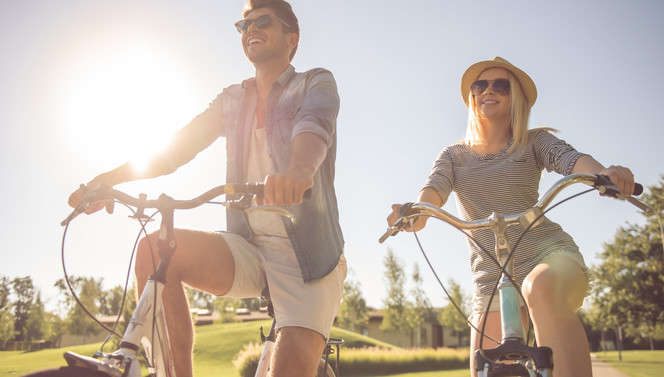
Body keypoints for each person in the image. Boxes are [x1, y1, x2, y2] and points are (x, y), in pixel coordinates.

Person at [68, 1, 346, 376]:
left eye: (263, 21)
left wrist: (299, 170)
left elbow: (314, 126)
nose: (251, 28)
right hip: (247, 245)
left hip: (307, 260)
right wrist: (108, 180)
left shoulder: (314, 82)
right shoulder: (233, 100)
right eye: (244, 24)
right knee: (156, 249)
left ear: (291, 39)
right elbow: (176, 149)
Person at [387, 57, 634, 377]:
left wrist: (604, 174)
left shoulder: (534, 142)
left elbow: (570, 160)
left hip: (548, 256)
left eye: (500, 85)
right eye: (480, 85)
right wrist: (414, 213)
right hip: (491, 278)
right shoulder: (453, 155)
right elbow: (433, 190)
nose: (488, 91)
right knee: (486, 367)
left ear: (515, 96)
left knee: (538, 287)